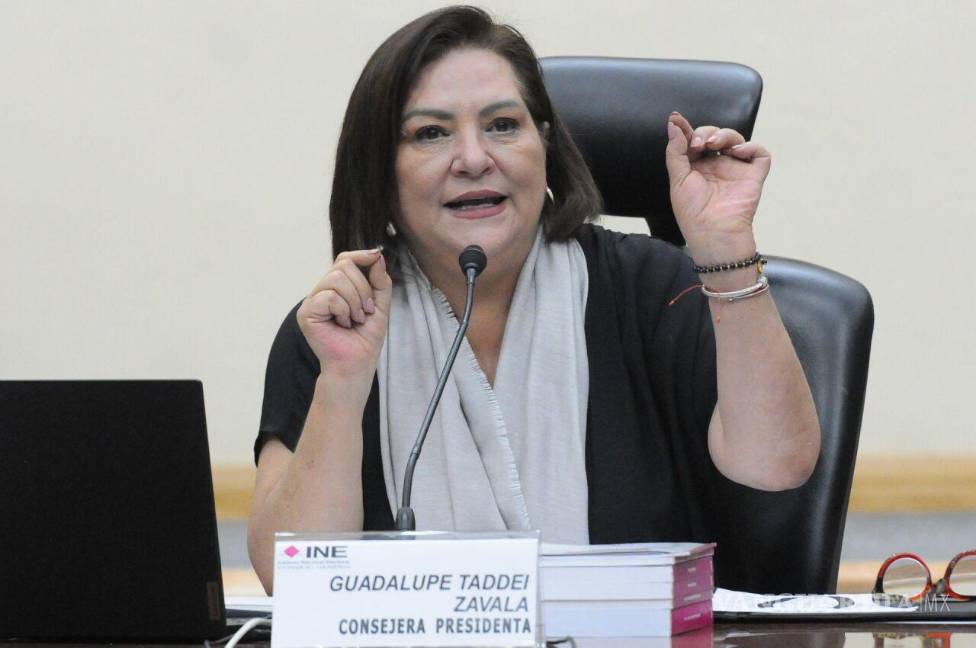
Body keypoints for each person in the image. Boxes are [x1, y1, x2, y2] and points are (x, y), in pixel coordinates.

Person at [246, 6, 820, 593]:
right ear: (379, 169)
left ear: (544, 143)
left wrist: (727, 250)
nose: (474, 159)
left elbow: (777, 464)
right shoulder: (340, 327)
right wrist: (343, 383)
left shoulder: (651, 289)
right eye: (431, 133)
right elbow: (292, 579)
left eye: (502, 125)